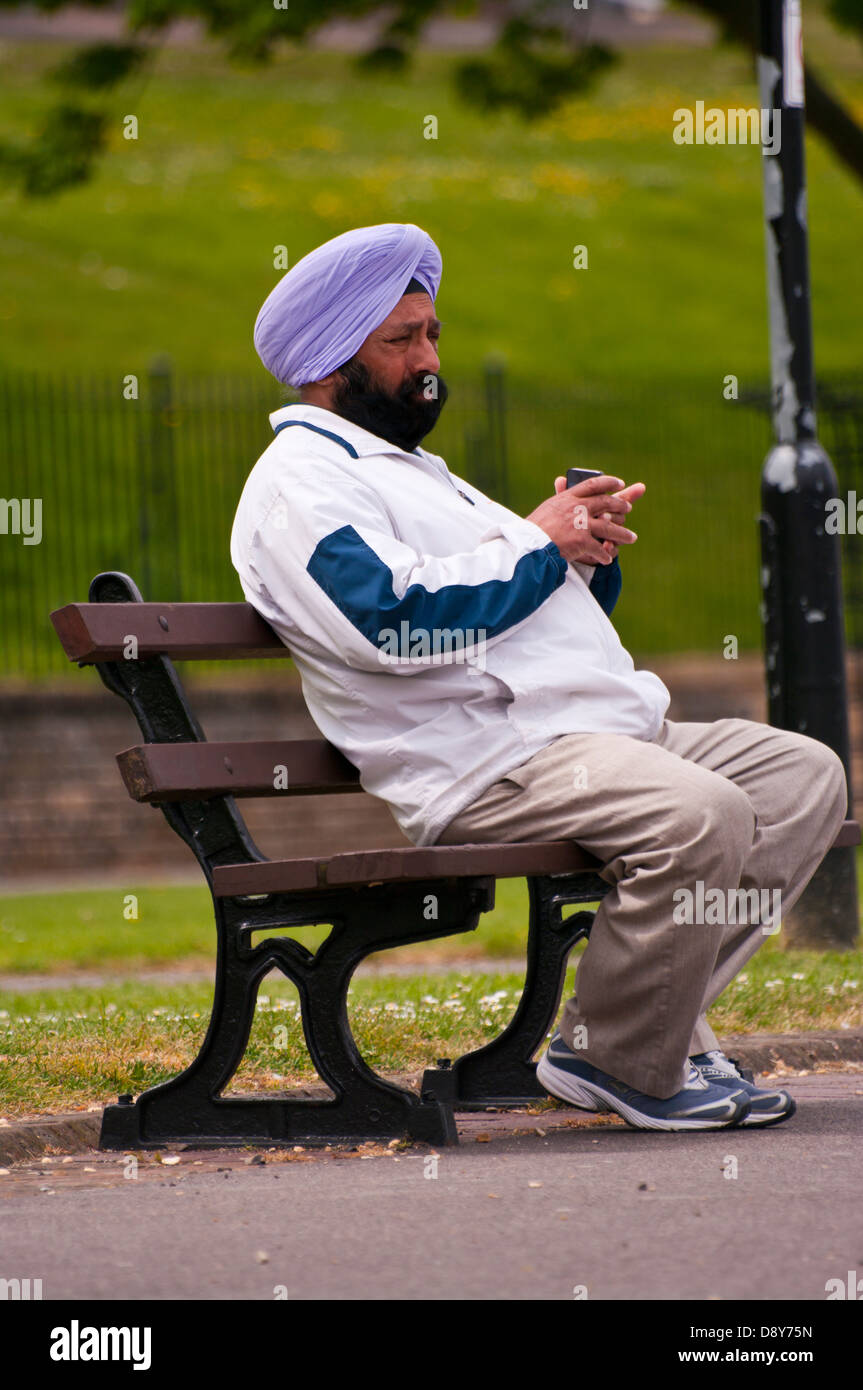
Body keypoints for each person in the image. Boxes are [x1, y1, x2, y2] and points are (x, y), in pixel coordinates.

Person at [231, 222, 848, 1132]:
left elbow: (522, 609)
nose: (429, 359)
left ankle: (651, 1033)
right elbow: (389, 623)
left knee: (803, 778)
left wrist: (582, 553)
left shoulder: (415, 474)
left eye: (431, 333)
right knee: (700, 815)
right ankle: (619, 1059)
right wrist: (535, 542)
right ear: (331, 363)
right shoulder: (299, 487)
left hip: (595, 738)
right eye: (400, 341)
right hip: (492, 761)